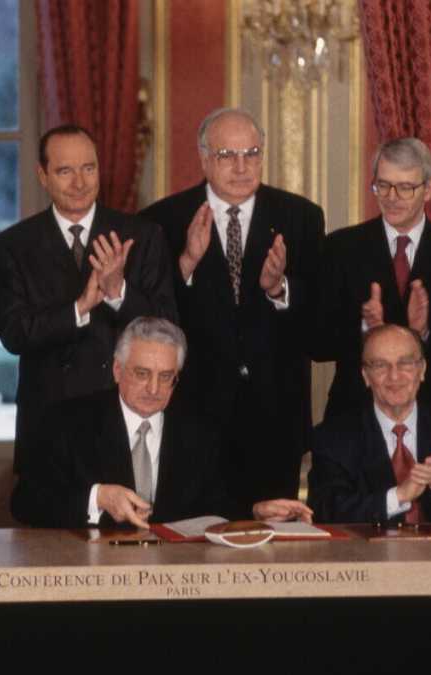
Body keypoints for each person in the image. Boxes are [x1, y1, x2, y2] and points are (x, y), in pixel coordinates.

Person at [139, 107, 323, 513]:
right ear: (204, 158)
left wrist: (281, 289)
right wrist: (185, 262)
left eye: (252, 153)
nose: (241, 167)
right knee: (194, 544)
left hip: (275, 418)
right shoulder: (161, 221)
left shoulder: (301, 217)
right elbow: (145, 321)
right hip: (192, 418)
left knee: (272, 551)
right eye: (227, 156)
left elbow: (319, 323)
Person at [11, 317, 312, 528]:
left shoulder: (201, 429)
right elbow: (25, 503)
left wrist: (254, 511)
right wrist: (98, 498)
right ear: (117, 370)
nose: (154, 389)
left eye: (165, 377)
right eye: (142, 374)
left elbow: (219, 502)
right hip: (94, 579)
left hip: (176, 585)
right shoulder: (68, 421)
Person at [0, 124, 176, 472]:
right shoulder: (14, 245)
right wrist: (80, 307)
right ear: (43, 176)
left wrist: (119, 291)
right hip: (49, 419)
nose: (79, 182)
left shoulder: (142, 235)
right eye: (65, 171)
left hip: (122, 414)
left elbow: (167, 325)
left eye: (88, 168)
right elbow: (14, 334)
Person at [315, 137, 431, 420]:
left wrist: (422, 332)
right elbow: (318, 344)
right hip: (354, 417)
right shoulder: (341, 248)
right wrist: (367, 330)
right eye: (383, 185)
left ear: (428, 189)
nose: (392, 197)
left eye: (406, 187)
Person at [308, 324, 431, 524]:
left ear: (422, 370)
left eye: (405, 363)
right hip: (368, 554)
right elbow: (324, 511)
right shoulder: (332, 437)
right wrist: (398, 497)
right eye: (380, 365)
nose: (394, 376)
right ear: (365, 376)